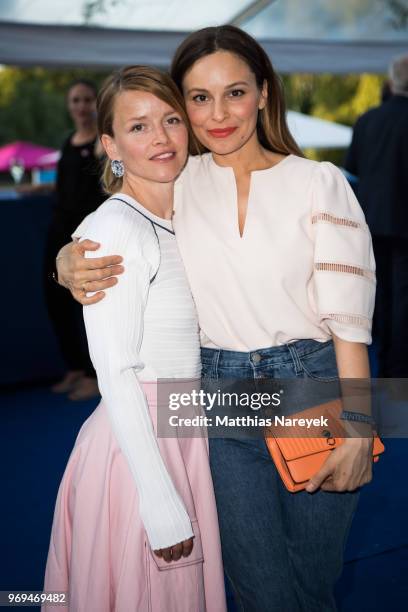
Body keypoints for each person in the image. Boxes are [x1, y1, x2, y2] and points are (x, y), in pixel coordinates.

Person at [56, 26, 376, 612]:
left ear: (263, 93)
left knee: (312, 586)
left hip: (308, 387)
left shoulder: (317, 182)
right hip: (215, 396)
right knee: (261, 594)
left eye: (234, 92)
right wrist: (67, 261)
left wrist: (358, 423)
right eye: (199, 98)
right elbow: (120, 220)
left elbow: (348, 319)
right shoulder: (180, 179)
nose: (218, 112)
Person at [43, 66, 226, 612]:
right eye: (139, 126)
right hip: (141, 447)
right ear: (110, 144)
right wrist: (160, 501)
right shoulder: (119, 228)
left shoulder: (184, 210)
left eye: (171, 119)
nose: (162, 138)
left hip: (187, 422)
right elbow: (116, 373)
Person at [345, 54, 408, 378]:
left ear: (391, 81)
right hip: (403, 223)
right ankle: (398, 366)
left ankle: (382, 358)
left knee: (377, 291)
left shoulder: (367, 120)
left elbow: (353, 168)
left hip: (369, 220)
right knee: (402, 294)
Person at [44, 79, 105, 400]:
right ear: (69, 106)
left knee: (88, 308)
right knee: (57, 304)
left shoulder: (102, 144)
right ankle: (76, 368)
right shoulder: (68, 141)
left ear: (96, 104)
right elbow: (62, 187)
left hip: (87, 236)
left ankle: (95, 376)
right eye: (75, 100)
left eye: (86, 99)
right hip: (58, 233)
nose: (81, 106)